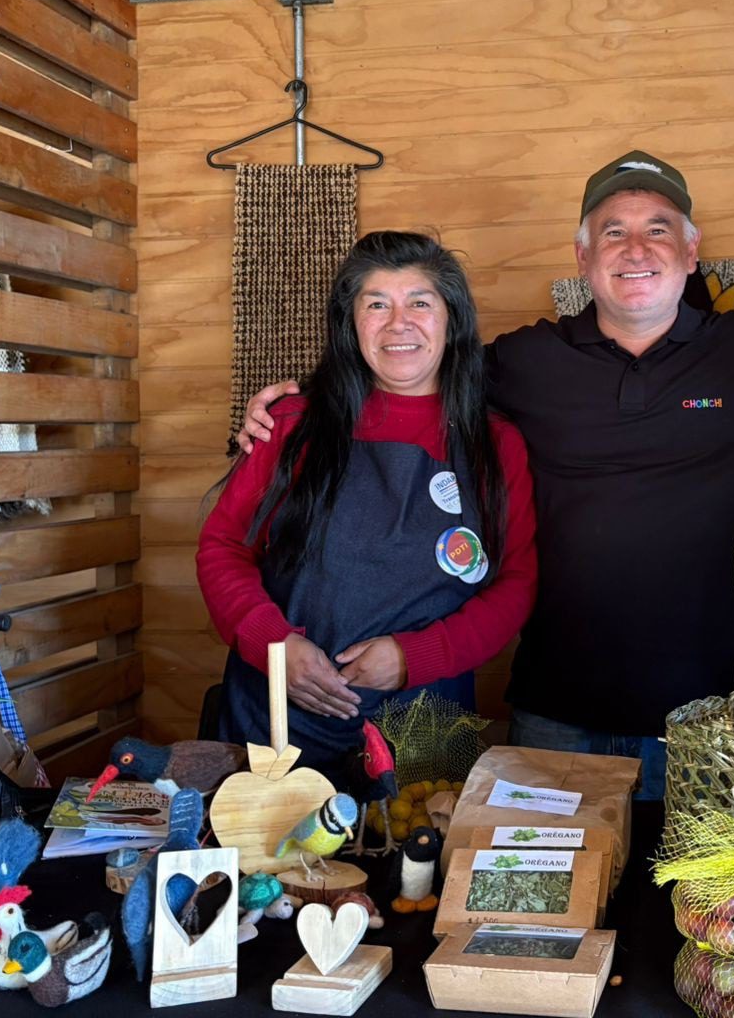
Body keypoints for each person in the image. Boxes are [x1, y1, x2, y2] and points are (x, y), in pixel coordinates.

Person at [236, 153, 734, 798]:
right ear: (583, 256)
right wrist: (295, 405)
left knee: (686, 923)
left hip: (713, 722)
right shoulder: (521, 363)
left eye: (658, 229)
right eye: (613, 231)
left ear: (691, 252)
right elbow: (400, 367)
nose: (635, 248)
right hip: (554, 715)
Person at [198, 231, 537, 770]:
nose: (398, 323)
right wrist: (274, 646)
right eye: (376, 304)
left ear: (452, 320)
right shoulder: (291, 424)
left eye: (420, 303)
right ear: (350, 324)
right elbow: (223, 548)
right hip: (278, 716)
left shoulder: (496, 444)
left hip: (427, 726)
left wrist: (414, 657)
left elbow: (515, 583)